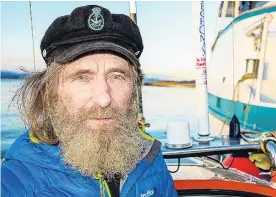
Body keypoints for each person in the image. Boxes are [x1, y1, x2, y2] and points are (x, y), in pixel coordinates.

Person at [1, 5, 178, 197]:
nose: (103, 99)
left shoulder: (150, 158)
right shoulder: (17, 181)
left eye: (117, 76)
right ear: (51, 91)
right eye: (82, 77)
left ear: (134, 89)